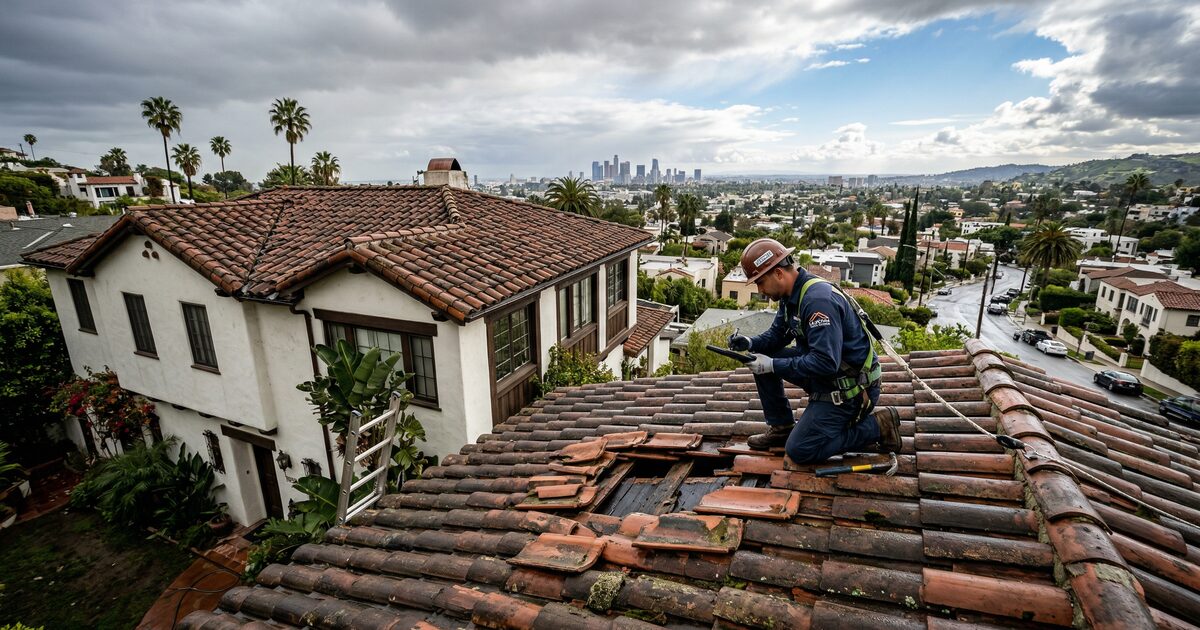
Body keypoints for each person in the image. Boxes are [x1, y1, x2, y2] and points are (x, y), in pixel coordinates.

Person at [729, 238, 902, 463]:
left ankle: (877, 426)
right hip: (828, 376)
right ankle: (781, 427)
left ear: (779, 273)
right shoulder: (791, 296)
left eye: (760, 282)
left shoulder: (818, 301)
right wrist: (749, 344)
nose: (760, 290)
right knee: (763, 361)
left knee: (800, 450)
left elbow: (825, 362)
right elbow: (776, 337)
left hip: (850, 389)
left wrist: (772, 365)